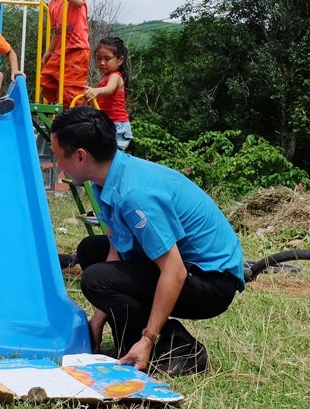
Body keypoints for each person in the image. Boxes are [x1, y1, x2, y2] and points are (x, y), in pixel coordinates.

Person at [50, 106, 245, 377]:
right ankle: (130, 342)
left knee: (95, 279)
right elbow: (116, 250)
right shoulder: (106, 180)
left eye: (59, 157)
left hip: (211, 281)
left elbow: (174, 271)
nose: (57, 165)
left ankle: (175, 346)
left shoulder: (135, 194)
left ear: (81, 156)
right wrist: (97, 319)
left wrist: (148, 338)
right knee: (90, 251)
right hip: (185, 267)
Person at [40, 0, 89, 107]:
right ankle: (59, 104)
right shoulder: (54, 2)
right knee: (46, 78)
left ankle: (75, 111)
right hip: (61, 51)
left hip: (77, 50)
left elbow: (79, 2)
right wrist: (49, 51)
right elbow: (57, 31)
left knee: (72, 87)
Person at [83, 37, 132, 151]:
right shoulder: (104, 78)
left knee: (109, 157)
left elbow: (109, 89)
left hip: (117, 126)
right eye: (99, 59)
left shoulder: (116, 76)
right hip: (107, 125)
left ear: (120, 60)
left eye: (107, 58)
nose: (102, 63)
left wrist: (96, 91)